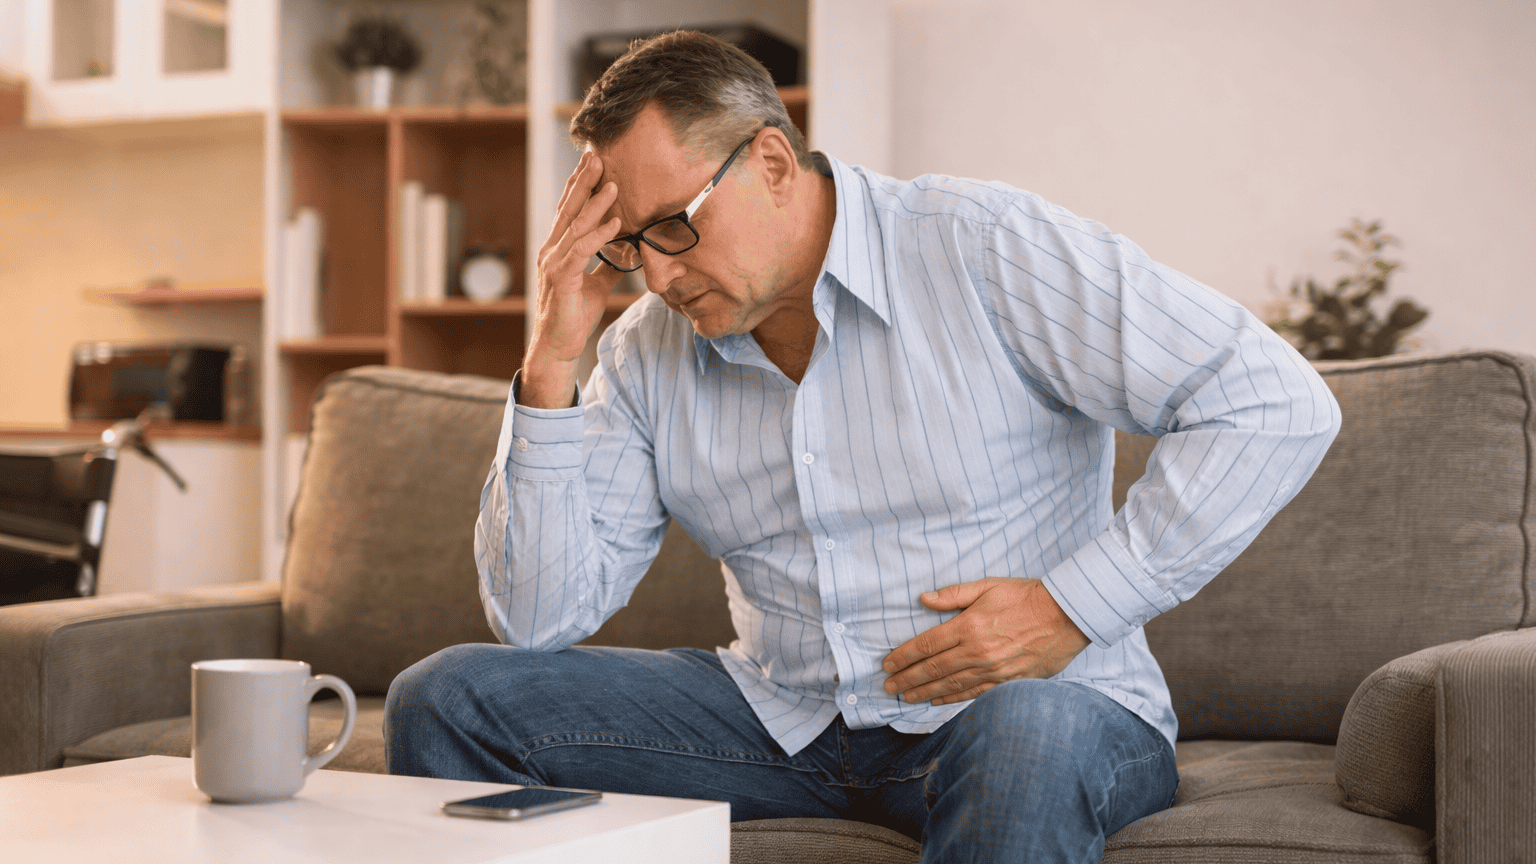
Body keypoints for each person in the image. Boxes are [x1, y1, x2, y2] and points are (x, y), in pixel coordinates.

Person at [385, 30, 1340, 863]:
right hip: (781, 721)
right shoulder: (642, 352)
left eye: (676, 226)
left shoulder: (982, 246)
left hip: (1032, 709)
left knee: (1025, 732)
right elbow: (541, 617)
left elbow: (1274, 400)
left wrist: (1071, 608)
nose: (663, 276)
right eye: (629, 245)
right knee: (449, 698)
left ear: (769, 161)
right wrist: (552, 362)